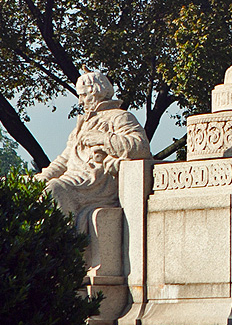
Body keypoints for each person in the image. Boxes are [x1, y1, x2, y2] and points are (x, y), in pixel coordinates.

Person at [36, 69, 151, 230]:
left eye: (83, 95)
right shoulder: (82, 125)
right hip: (73, 180)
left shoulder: (120, 117)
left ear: (96, 92)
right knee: (40, 189)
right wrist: (41, 178)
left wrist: (103, 138)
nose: (80, 102)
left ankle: (64, 246)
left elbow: (141, 146)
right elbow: (64, 160)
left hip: (95, 184)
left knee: (54, 190)